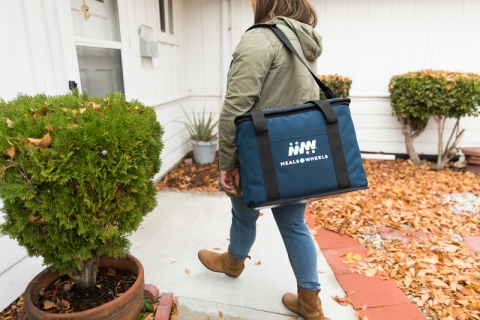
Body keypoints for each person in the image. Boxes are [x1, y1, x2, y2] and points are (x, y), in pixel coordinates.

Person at [197, 1, 329, 319]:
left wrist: (228, 161)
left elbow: (236, 105)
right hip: (294, 153)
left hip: (256, 154)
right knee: (294, 223)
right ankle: (310, 304)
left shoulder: (261, 37)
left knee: (244, 215)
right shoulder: (303, 39)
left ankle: (233, 263)